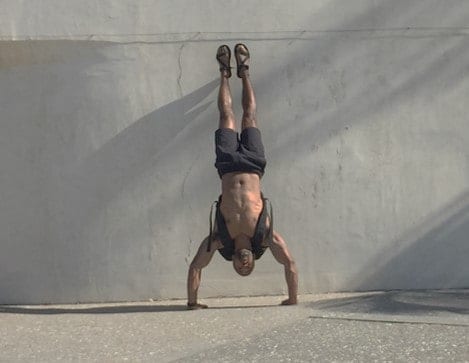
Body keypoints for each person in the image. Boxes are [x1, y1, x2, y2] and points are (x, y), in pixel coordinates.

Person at [187, 44, 298, 310]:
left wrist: (192, 303)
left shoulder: (219, 239)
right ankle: (244, 71)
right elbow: (289, 264)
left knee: (226, 115)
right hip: (254, 164)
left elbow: (196, 266)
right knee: (249, 115)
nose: (244, 265)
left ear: (234, 261)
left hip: (226, 165)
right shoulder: (266, 237)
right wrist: (293, 299)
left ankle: (224, 74)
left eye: (240, 269)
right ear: (254, 260)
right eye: (248, 268)